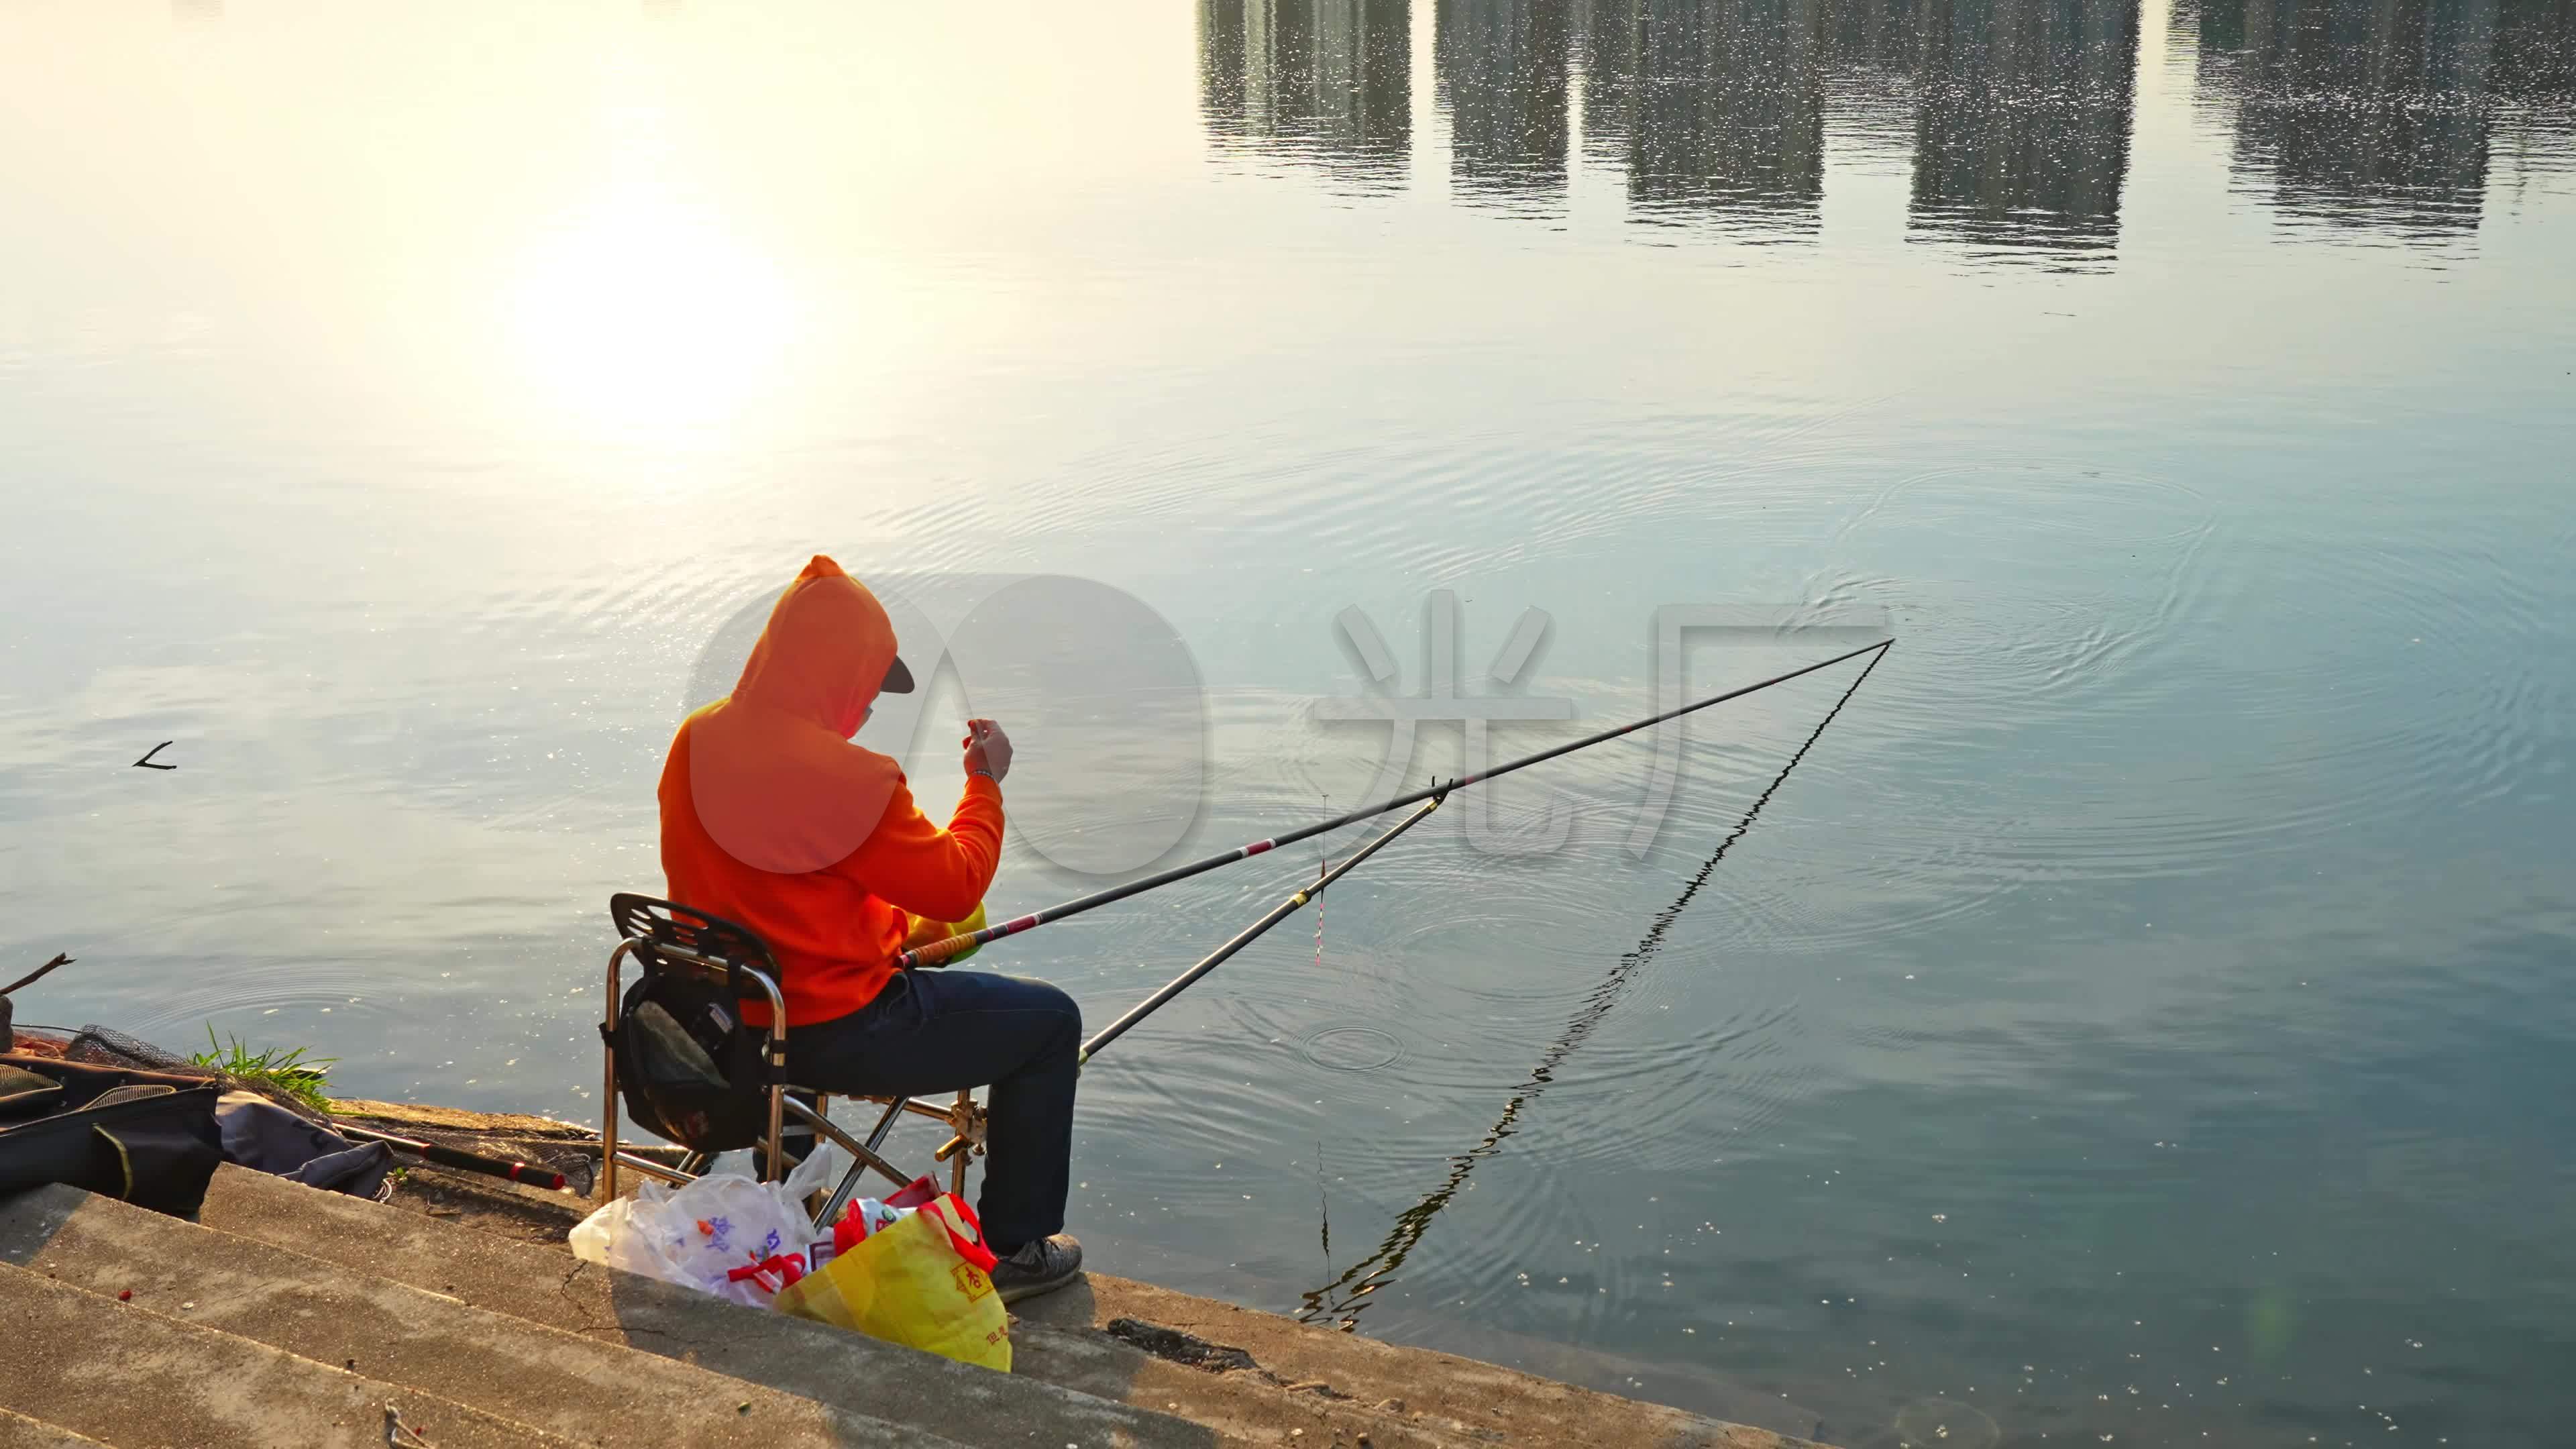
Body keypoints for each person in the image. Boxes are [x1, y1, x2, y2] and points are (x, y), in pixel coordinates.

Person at [656, 554, 1085, 1302]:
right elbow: (956, 882)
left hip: (726, 1026)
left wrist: (886, 931)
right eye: (866, 691)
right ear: (840, 679)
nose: (866, 710)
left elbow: (779, 886)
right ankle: (1015, 1249)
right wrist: (984, 783)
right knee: (1051, 1022)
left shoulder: (696, 739)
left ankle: (783, 1198)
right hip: (838, 1032)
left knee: (788, 1004)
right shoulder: (851, 777)